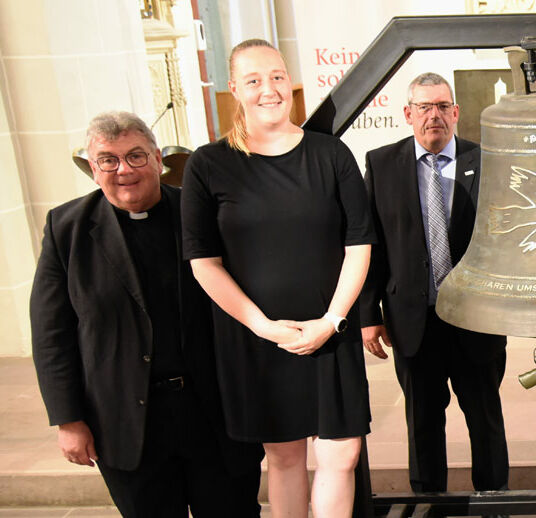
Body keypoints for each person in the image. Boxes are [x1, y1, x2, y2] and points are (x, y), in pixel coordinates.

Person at [30, 111, 263, 517]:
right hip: (126, 420)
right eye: (108, 160)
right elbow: (52, 334)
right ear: (92, 166)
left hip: (215, 411)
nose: (123, 170)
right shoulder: (65, 229)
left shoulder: (204, 213)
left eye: (136, 156)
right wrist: (68, 420)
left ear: (158, 158)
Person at [181, 39, 374, 517]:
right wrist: (262, 325)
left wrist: (332, 320)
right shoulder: (209, 164)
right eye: (253, 80)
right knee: (284, 457)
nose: (269, 89)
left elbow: (359, 245)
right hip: (258, 339)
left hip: (330, 332)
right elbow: (203, 261)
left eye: (276, 76)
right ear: (234, 90)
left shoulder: (331, 155)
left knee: (341, 453)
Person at [358, 73, 510, 495]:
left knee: (485, 418)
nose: (434, 116)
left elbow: (506, 239)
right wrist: (368, 316)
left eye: (443, 106)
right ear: (408, 114)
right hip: (413, 320)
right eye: (424, 107)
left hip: (476, 321)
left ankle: (495, 502)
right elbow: (370, 244)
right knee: (422, 422)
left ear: (456, 113)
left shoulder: (488, 161)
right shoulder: (381, 164)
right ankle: (430, 504)